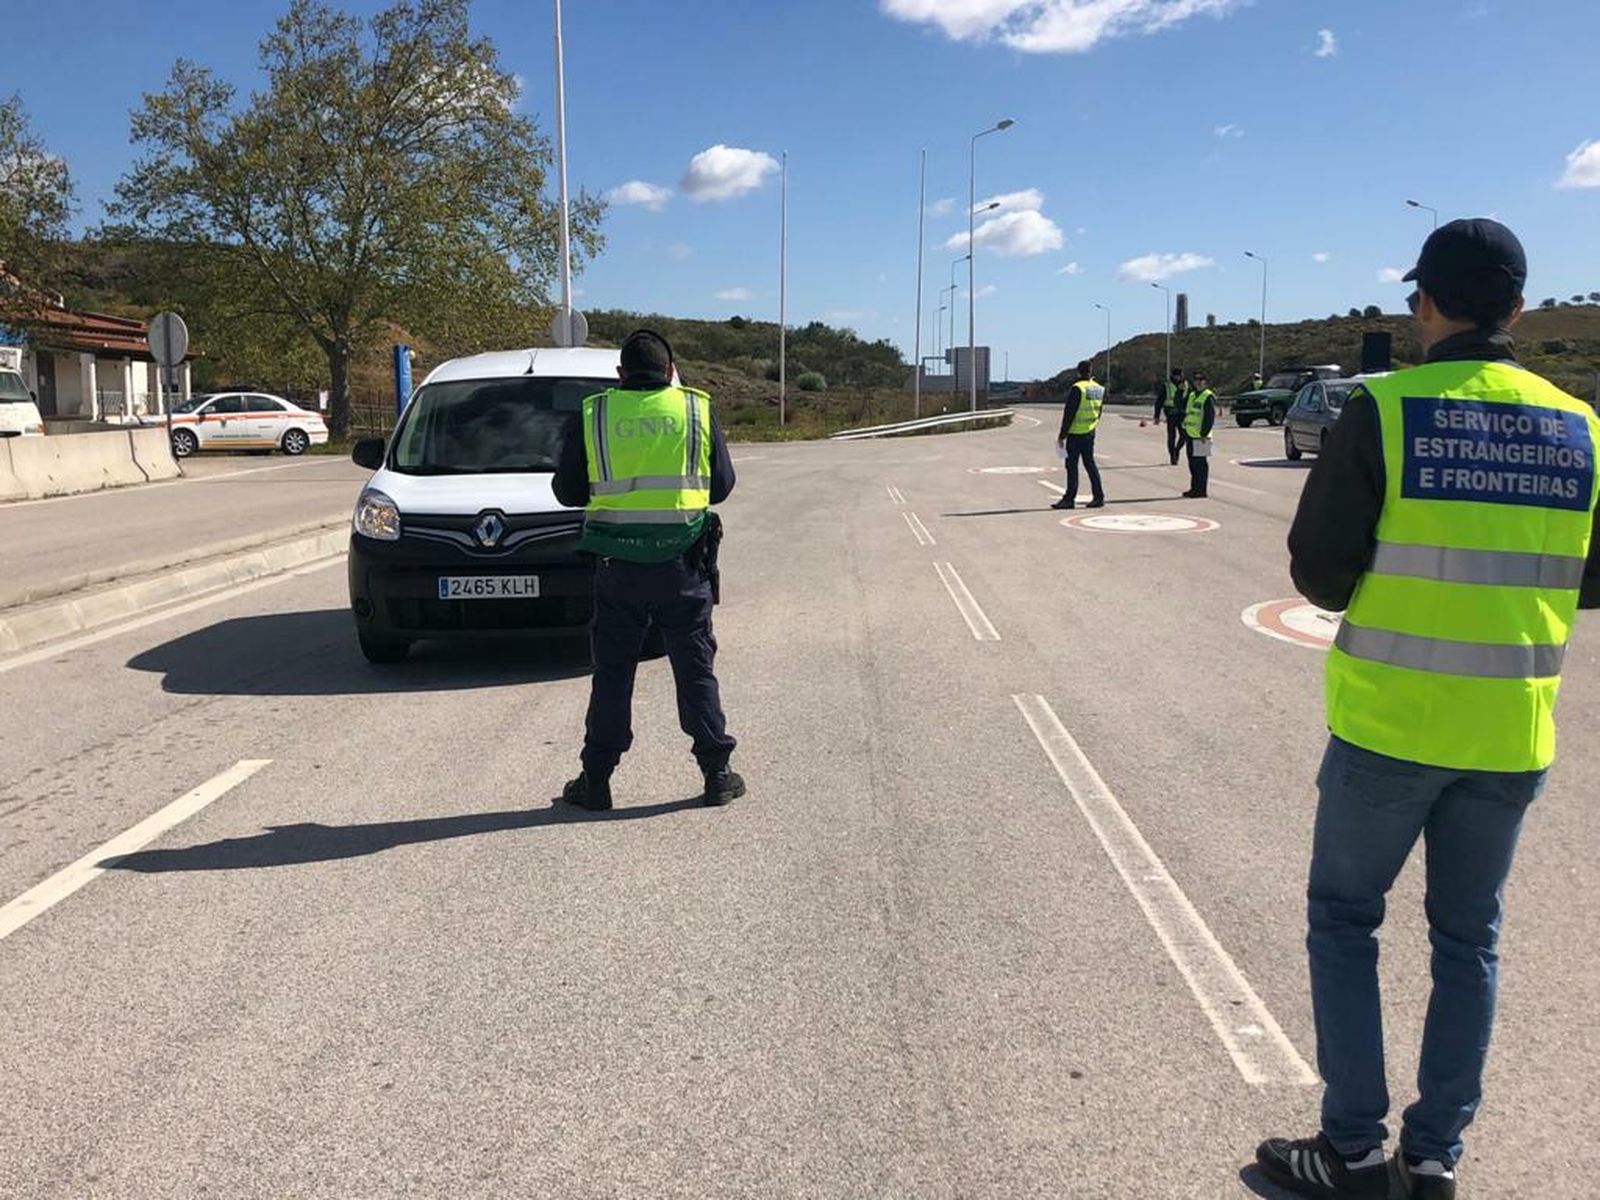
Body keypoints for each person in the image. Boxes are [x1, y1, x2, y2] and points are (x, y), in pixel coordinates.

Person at [1257, 219, 1600, 1199]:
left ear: (1425, 305)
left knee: (1343, 920)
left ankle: (1353, 1153)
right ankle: (1436, 1155)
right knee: (1467, 940)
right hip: (1510, 735)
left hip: (1390, 726)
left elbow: (1318, 576)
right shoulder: (1577, 423)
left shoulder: (1383, 410)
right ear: (1518, 307)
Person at [551, 329, 744, 811]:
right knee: (694, 668)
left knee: (613, 672)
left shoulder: (594, 414)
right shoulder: (695, 409)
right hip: (683, 564)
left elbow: (568, 492)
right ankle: (716, 774)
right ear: (670, 372)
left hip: (618, 568)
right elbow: (721, 486)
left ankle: (595, 780)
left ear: (620, 375)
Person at [1053, 359, 1105, 510]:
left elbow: (1069, 414)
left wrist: (1062, 435)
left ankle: (1069, 499)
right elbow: (1099, 411)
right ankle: (1098, 496)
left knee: (1072, 466)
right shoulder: (1098, 388)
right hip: (1090, 431)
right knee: (1090, 464)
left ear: (1078, 371)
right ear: (1091, 371)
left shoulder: (1077, 388)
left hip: (1075, 433)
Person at [1181, 370, 1215, 498]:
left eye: (1201, 380)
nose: (1198, 383)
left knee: (1201, 464)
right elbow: (1185, 409)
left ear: (1206, 382)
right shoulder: (1192, 395)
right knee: (1192, 464)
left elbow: (1209, 418)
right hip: (1191, 434)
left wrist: (1203, 433)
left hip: (1202, 436)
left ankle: (1201, 490)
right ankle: (1194, 488)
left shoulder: (1207, 396)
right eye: (1196, 380)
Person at [1153, 367, 1188, 466]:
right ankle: (1173, 456)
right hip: (1171, 413)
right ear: (1173, 376)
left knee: (1184, 435)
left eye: (1180, 375)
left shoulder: (1186, 385)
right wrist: (1157, 416)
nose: (1179, 377)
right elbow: (1159, 401)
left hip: (1183, 413)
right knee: (1172, 436)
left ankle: (1177, 450)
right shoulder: (1167, 386)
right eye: (1177, 375)